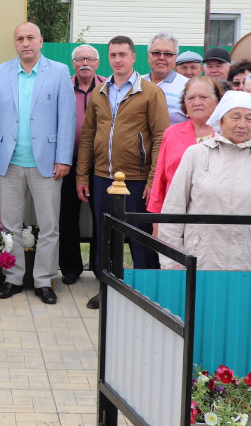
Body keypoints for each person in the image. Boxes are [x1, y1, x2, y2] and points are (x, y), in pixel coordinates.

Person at [0, 22, 75, 305]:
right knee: (10, 226)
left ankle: (44, 281)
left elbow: (67, 118)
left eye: (30, 38)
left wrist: (63, 158)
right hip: (9, 163)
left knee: (49, 227)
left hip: (46, 164)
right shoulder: (1, 72)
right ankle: (12, 278)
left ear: (41, 41)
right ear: (15, 43)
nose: (25, 43)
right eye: (20, 38)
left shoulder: (59, 71)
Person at [76, 35, 170, 310]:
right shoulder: (100, 91)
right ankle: (107, 288)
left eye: (122, 55)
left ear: (133, 57)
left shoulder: (150, 92)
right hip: (102, 177)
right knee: (105, 237)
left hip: (136, 179)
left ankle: (145, 292)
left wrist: (153, 180)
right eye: (113, 55)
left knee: (140, 238)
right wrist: (82, 176)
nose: (117, 60)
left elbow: (161, 137)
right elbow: (88, 136)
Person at [157, 90, 251, 271]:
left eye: (249, 118)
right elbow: (173, 209)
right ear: (221, 120)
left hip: (249, 263)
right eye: (235, 117)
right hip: (199, 261)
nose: (242, 124)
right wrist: (173, 261)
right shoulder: (196, 154)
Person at [59, 44, 107, 284]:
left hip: (101, 162)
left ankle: (100, 267)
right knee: (67, 215)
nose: (84, 63)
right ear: (73, 63)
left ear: (97, 63)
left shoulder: (108, 87)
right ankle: (70, 268)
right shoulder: (62, 86)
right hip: (68, 161)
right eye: (79, 59)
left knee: (101, 215)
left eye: (89, 59)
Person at [147, 76, 223, 214]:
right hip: (175, 213)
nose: (197, 102)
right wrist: (157, 219)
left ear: (217, 101)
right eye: (191, 98)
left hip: (214, 214)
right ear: (184, 103)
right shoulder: (171, 133)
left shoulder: (225, 134)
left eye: (203, 97)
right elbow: (160, 180)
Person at [144, 31, 189, 124]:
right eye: (156, 53)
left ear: (175, 58)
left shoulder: (187, 87)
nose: (162, 57)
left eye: (168, 54)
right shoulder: (136, 83)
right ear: (148, 56)